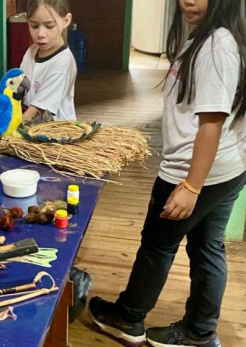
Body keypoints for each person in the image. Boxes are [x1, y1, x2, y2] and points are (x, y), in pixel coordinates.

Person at [89, 1, 246, 346]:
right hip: (226, 169)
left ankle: (128, 318)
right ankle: (200, 332)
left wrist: (190, 186)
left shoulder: (218, 44)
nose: (187, 0)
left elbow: (212, 123)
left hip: (196, 171)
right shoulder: (214, 37)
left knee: (157, 245)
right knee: (207, 247)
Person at [20, 0, 77, 121]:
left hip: (55, 134)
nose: (40, 34)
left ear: (66, 20)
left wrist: (6, 130)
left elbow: (37, 111)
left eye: (49, 26)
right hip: (31, 131)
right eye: (34, 26)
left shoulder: (63, 61)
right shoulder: (31, 52)